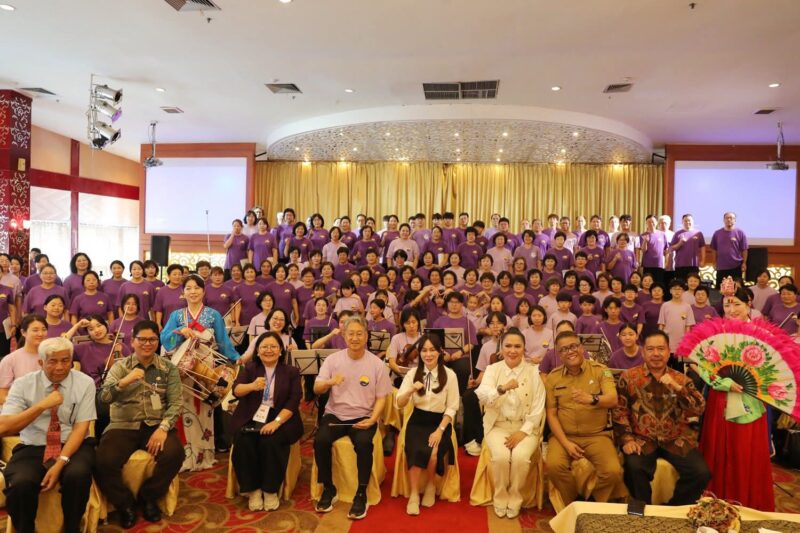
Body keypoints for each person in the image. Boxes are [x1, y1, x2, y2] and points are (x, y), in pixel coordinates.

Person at [687, 282, 776, 510]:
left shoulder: (762, 334)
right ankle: (715, 503)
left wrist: (753, 382)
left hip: (750, 399)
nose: (732, 309)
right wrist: (720, 381)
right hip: (720, 397)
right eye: (727, 304)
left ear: (749, 304)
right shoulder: (715, 332)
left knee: (744, 451)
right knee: (718, 450)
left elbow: (773, 370)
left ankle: (748, 502)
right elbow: (696, 363)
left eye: (736, 303)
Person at [0, 337, 96, 533]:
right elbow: (4, 427)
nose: (60, 367)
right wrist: (41, 406)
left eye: (65, 360)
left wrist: (60, 462)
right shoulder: (23, 384)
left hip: (73, 445)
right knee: (20, 483)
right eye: (53, 361)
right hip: (34, 445)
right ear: (41, 362)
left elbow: (81, 428)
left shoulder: (85, 382)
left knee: (77, 475)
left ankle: (72, 528)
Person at [94, 320, 184, 528]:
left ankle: (149, 497)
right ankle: (125, 504)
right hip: (122, 425)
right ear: (132, 341)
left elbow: (176, 403)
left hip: (155, 424)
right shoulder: (120, 366)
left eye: (152, 339)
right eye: (142, 339)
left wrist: (163, 428)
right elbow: (103, 399)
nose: (147, 344)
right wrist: (124, 382)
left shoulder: (168, 368)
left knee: (175, 454)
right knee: (103, 461)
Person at [613, 330, 710, 505]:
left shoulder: (681, 379)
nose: (656, 354)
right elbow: (620, 411)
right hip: (642, 438)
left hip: (676, 439)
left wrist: (679, 389)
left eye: (661, 349)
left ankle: (672, 509)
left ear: (668, 351)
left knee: (701, 472)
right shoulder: (628, 378)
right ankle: (643, 512)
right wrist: (626, 439)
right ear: (643, 352)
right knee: (634, 467)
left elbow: (698, 409)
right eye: (650, 349)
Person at [313, 315, 392, 520]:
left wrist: (373, 419)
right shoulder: (333, 360)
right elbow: (316, 387)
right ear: (344, 336)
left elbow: (382, 398)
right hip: (336, 415)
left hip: (363, 415)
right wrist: (331, 382)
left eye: (359, 334)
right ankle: (329, 489)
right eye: (351, 334)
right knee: (320, 440)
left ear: (366, 336)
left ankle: (361, 493)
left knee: (364, 444)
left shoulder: (376, 364)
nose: (355, 338)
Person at [160, 275, 240, 470]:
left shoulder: (213, 315)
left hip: (207, 365)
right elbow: (164, 338)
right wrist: (181, 330)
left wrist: (236, 358)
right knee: (185, 408)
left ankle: (205, 454)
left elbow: (223, 342)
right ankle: (187, 454)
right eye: (188, 288)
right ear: (183, 293)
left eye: (197, 288)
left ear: (204, 291)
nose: (193, 291)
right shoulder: (177, 316)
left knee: (205, 409)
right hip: (184, 367)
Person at [545, 331, 621, 507]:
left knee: (613, 471)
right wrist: (566, 443)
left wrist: (593, 399)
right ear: (559, 354)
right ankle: (573, 503)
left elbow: (612, 399)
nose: (570, 351)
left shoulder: (600, 371)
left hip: (596, 435)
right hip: (564, 435)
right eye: (564, 349)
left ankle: (594, 503)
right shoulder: (553, 377)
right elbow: (552, 414)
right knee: (555, 466)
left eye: (573, 346)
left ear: (581, 347)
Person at [475, 328, 546, 519]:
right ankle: (500, 497)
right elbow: (481, 396)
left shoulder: (533, 371)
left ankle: (515, 498)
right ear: (501, 348)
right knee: (500, 457)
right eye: (508, 346)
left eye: (517, 346)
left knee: (521, 458)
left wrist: (523, 432)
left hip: (526, 428)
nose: (512, 351)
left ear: (524, 349)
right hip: (497, 427)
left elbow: (539, 405)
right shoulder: (493, 370)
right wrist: (502, 389)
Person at [230, 331, 303, 511]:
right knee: (244, 441)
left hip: (282, 416)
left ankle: (270, 490)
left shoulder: (291, 371)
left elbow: (294, 401)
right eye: (264, 347)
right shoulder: (250, 369)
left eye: (273, 346)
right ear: (257, 350)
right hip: (251, 415)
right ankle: (253, 490)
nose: (268, 350)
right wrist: (252, 386)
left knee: (271, 441)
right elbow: (236, 390)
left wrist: (276, 422)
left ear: (280, 350)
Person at [395, 334, 459, 515]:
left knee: (432, 453)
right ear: (419, 353)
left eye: (432, 350)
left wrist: (440, 431)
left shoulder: (450, 375)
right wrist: (410, 390)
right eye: (424, 350)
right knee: (416, 450)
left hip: (440, 421)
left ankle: (431, 486)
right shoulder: (412, 374)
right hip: (418, 419)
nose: (428, 354)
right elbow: (399, 403)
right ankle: (414, 494)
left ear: (439, 352)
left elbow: (453, 407)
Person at [0, 314, 49, 404]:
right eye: (35, 330)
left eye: (44, 329)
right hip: (21, 410)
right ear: (23, 332)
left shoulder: (51, 356)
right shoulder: (10, 360)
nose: (40, 334)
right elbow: (2, 394)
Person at [710, 212, 748, 288]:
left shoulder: (740, 233)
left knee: (736, 289)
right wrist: (714, 262)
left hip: (736, 266)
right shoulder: (717, 233)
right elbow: (714, 249)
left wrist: (744, 263)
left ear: (735, 220)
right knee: (720, 289)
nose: (729, 220)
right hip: (721, 266)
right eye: (727, 218)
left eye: (731, 218)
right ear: (723, 220)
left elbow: (744, 249)